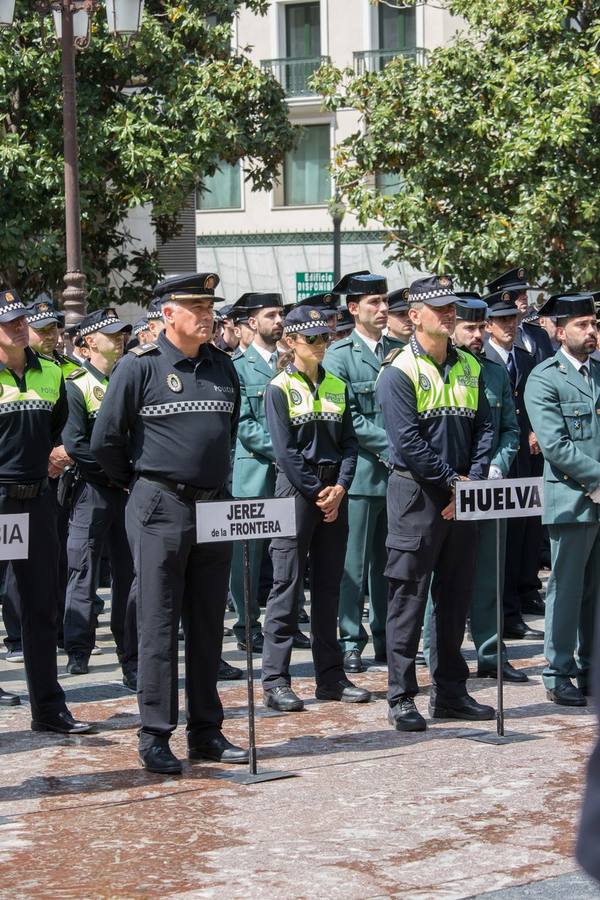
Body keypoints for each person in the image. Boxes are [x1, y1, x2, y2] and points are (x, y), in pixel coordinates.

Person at [92, 273, 248, 774]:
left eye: (208, 305)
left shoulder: (223, 366)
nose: (206, 314)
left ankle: (207, 731)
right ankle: (156, 733)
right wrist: (136, 485)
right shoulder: (139, 368)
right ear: (168, 314)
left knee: (207, 623)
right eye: (194, 306)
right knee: (158, 622)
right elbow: (106, 442)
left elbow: (229, 430)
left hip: (214, 507)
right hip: (161, 504)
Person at [376, 275, 495, 732]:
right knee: (407, 595)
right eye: (440, 308)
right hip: (416, 496)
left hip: (462, 496)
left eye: (453, 307)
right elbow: (405, 443)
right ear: (414, 316)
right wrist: (452, 485)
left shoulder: (469, 363)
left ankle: (450, 693)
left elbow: (486, 427)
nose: (449, 314)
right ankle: (401, 696)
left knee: (455, 597)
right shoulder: (398, 370)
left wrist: (473, 482)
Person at [261, 305, 370, 711]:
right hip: (296, 490)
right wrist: (317, 491)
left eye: (325, 337)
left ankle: (330, 676)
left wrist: (340, 487)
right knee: (286, 587)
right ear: (291, 342)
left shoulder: (337, 386)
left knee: (329, 587)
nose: (321, 344)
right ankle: (275, 680)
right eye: (312, 339)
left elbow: (350, 444)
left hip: (332, 490)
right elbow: (285, 452)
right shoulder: (279, 388)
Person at [0, 289, 92, 733]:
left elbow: (61, 429)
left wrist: (58, 453)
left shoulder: (51, 373)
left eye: (22, 321)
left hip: (37, 500)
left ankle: (49, 708)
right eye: (10, 323)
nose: (20, 328)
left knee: (41, 606)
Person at [422, 296, 523, 681]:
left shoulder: (494, 372)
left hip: (486, 488)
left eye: (482, 328)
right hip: (444, 490)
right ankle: (437, 657)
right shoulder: (435, 369)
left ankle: (491, 653)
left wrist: (494, 470)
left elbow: (509, 430)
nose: (478, 335)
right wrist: (452, 481)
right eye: (470, 327)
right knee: (441, 579)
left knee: (488, 575)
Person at [524, 292, 600, 707]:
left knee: (596, 593)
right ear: (558, 331)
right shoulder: (544, 377)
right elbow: (554, 444)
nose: (591, 332)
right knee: (566, 590)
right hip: (572, 498)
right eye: (582, 325)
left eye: (593, 324)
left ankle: (591, 668)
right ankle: (557, 672)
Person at [62, 308, 138, 689]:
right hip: (93, 490)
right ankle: (79, 648)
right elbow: (75, 443)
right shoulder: (75, 384)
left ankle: (130, 655)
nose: (121, 339)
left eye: (124, 333)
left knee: (128, 573)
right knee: (83, 569)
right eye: (112, 335)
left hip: (127, 492)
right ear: (90, 341)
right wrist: (117, 475)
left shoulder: (130, 379)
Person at [230, 291, 308, 652]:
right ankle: (247, 623)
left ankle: (287, 621)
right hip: (256, 474)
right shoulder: (238, 366)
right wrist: (285, 452)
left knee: (288, 554)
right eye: (271, 315)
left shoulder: (293, 361)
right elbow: (243, 424)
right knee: (248, 556)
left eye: (281, 315)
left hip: (291, 474)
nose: (279, 321)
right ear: (251, 323)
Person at [325, 271, 392, 673]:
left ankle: (387, 637)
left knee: (391, 564)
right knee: (353, 566)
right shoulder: (339, 355)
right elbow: (347, 417)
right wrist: (394, 446)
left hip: (398, 477)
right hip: (362, 476)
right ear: (353, 309)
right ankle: (351, 639)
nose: (383, 309)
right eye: (374, 303)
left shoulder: (400, 350)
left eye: (384, 302)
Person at [482, 290, 546, 635]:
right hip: (493, 459)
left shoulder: (522, 356)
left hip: (524, 453)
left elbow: (531, 401)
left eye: (513, 318)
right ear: (488, 324)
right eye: (502, 319)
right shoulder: (483, 359)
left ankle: (516, 604)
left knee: (523, 532)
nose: (509, 325)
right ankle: (503, 615)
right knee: (499, 542)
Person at [485, 268, 554, 364]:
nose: (525, 296)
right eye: (518, 293)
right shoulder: (488, 339)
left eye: (525, 292)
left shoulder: (540, 334)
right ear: (503, 298)